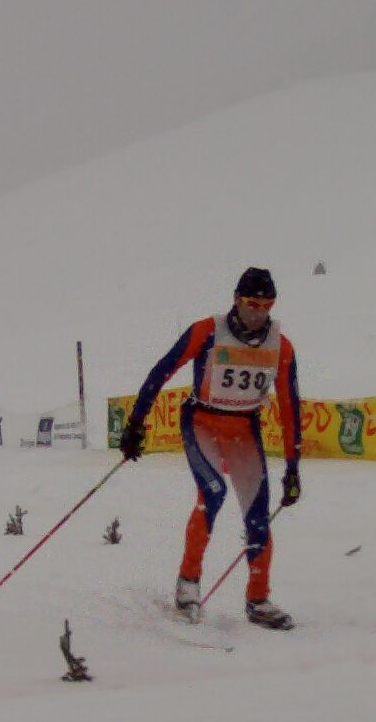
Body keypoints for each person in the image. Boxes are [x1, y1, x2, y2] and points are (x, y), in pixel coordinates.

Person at [118, 266, 302, 628]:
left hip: (244, 429)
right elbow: (162, 370)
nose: (258, 313)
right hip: (201, 421)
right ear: (236, 300)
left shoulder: (281, 346)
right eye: (251, 304)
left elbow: (289, 407)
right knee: (213, 493)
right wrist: (136, 422)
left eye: (266, 306)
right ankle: (188, 583)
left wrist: (293, 468)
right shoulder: (208, 331)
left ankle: (258, 599)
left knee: (258, 512)